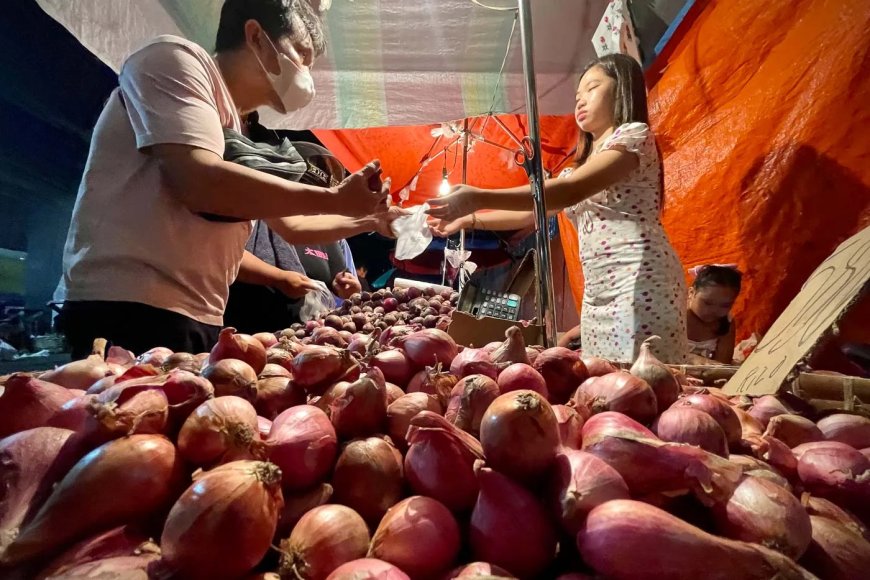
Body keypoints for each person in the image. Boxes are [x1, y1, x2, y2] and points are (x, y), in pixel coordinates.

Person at [57, 0, 389, 358]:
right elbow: (199, 182)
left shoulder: (236, 127)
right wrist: (336, 198)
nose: (306, 74)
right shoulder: (176, 60)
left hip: (200, 314)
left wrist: (368, 217)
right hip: (127, 307)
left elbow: (292, 227)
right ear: (256, 37)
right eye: (302, 55)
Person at [428, 53, 687, 363]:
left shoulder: (633, 137)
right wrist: (467, 219)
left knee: (641, 380)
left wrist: (479, 196)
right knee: (603, 381)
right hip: (598, 291)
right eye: (577, 95)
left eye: (592, 88)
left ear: (622, 90)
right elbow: (531, 213)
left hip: (640, 280)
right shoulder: (578, 166)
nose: (580, 101)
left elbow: (568, 192)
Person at [686, 264, 742, 363]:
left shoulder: (726, 323)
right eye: (707, 303)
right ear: (691, 293)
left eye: (725, 305)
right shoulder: (678, 315)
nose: (714, 310)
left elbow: (723, 363)